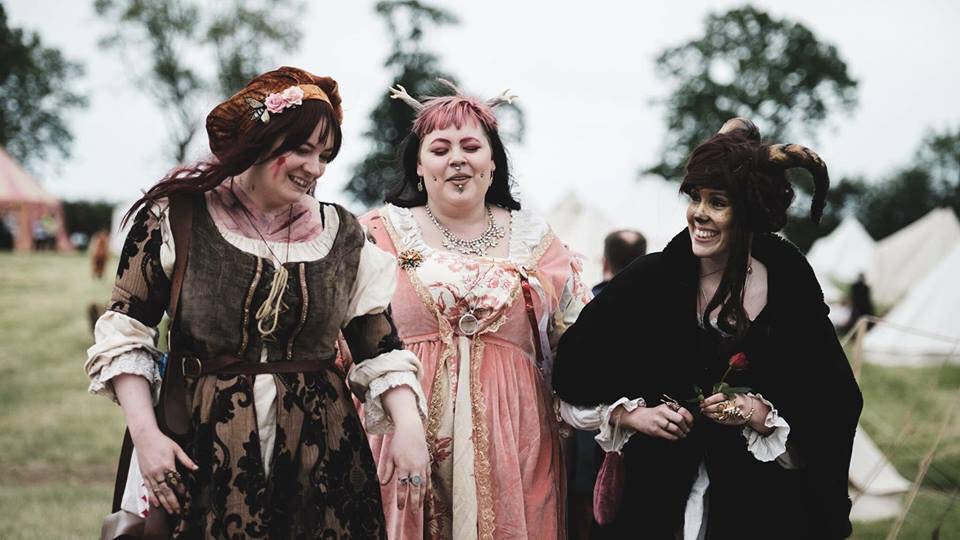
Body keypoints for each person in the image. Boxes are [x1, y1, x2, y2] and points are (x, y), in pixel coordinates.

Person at [84, 67, 429, 538]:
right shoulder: (177, 217)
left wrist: (408, 426)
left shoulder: (343, 235)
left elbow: (380, 347)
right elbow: (126, 334)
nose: (315, 168)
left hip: (320, 455)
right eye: (302, 149)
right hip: (201, 444)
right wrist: (147, 439)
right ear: (259, 139)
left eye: (325, 155)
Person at [553, 119, 863, 539]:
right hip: (653, 503)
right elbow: (571, 374)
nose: (699, 213)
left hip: (757, 510)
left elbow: (833, 405)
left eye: (718, 202)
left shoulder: (790, 292)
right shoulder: (648, 281)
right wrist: (634, 415)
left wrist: (758, 414)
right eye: (695, 197)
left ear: (749, 210)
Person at [359, 81, 591, 539]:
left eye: (470, 147)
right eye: (440, 149)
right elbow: (348, 336)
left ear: (493, 162)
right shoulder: (380, 233)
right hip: (404, 430)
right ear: (419, 165)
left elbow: (583, 339)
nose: (457, 159)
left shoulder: (536, 240)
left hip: (514, 435)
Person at [567, 229, 647, 539]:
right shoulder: (657, 310)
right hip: (642, 444)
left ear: (604, 261)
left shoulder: (584, 307)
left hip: (589, 444)